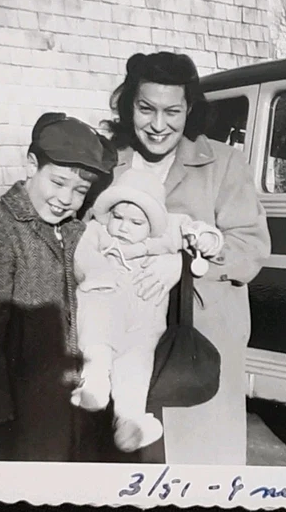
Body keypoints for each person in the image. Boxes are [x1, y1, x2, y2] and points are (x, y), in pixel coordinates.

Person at [102, 51, 272, 466]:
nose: (158, 125)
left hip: (198, 348)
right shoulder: (109, 162)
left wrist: (183, 266)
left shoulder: (224, 163)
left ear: (189, 110)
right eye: (146, 109)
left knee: (197, 467)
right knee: (131, 467)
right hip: (124, 344)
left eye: (172, 111)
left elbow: (250, 249)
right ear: (129, 106)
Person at [0, 112, 118, 461]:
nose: (66, 198)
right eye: (57, 182)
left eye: (80, 191)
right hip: (15, 416)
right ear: (31, 165)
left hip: (70, 409)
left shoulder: (77, 232)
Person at [69, 168, 225, 454]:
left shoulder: (167, 231)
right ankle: (95, 384)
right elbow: (82, 253)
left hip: (144, 320)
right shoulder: (99, 231)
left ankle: (129, 421)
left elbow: (197, 230)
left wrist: (207, 239)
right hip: (106, 301)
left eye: (135, 222)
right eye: (117, 217)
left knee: (137, 366)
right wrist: (99, 274)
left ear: (152, 223)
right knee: (96, 334)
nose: (123, 227)